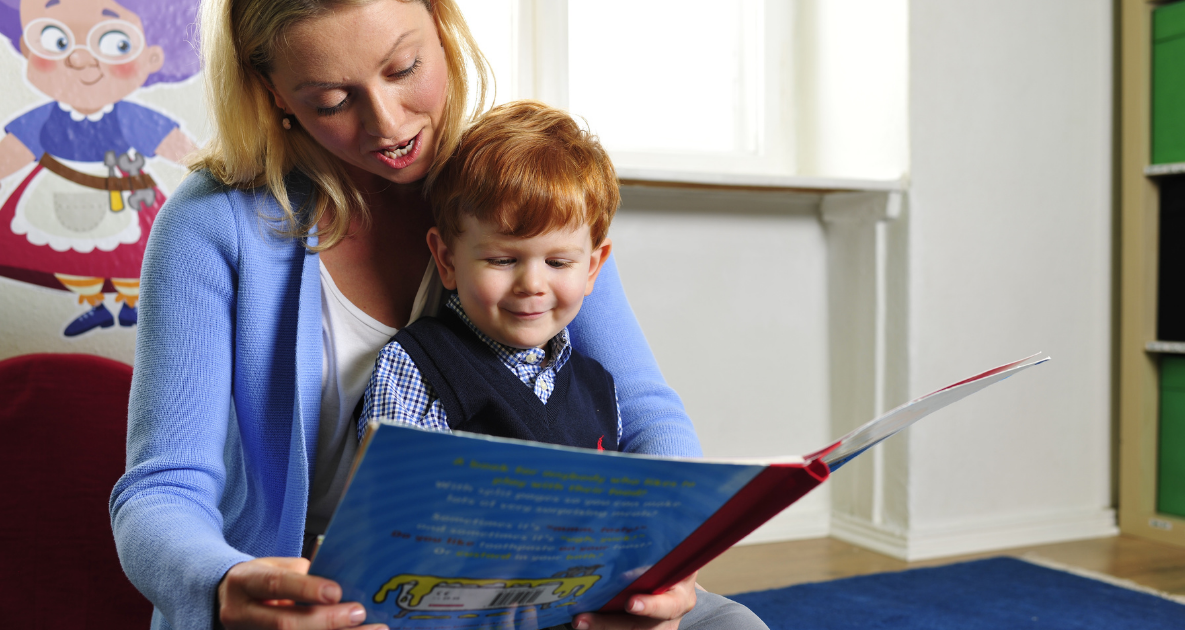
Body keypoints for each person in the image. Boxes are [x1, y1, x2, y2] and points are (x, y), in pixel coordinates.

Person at [109, 2, 763, 630]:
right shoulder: (208, 225)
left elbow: (649, 420)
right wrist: (225, 586)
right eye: (331, 100)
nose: (388, 123)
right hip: (335, 604)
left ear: (441, 23)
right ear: (274, 92)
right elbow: (161, 491)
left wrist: (667, 566)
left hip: (543, 585)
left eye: (403, 69)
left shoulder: (514, 186)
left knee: (731, 624)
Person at [356, 100, 622, 453]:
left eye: (557, 263)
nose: (532, 285)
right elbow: (391, 497)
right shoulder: (418, 367)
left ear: (591, 267)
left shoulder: (600, 389)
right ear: (447, 260)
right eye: (502, 260)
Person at [0, 0, 200, 336]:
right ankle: (93, 305)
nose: (78, 59)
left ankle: (134, 304)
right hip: (53, 189)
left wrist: (228, 175)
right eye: (54, 39)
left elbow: (181, 150)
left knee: (136, 257)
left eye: (115, 43)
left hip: (123, 195)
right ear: (25, 47)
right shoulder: (43, 120)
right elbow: (14, 151)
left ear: (152, 57)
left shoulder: (132, 118)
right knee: (63, 256)